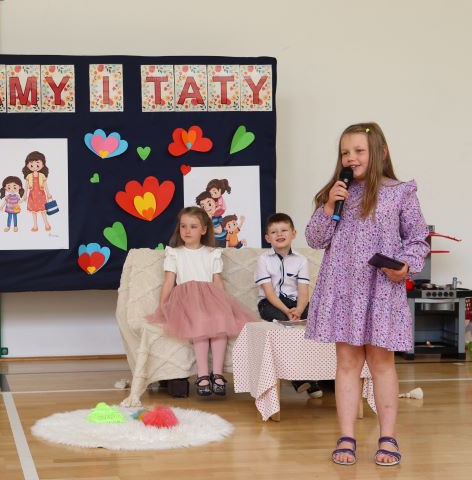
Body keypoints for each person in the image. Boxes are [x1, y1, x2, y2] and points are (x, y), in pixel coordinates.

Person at [305, 122, 429, 466]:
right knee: (347, 364)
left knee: (381, 363)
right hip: (343, 289)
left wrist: (406, 265)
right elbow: (315, 239)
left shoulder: (400, 192)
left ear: (380, 152)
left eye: (359, 150)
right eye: (345, 152)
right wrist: (329, 207)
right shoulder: (335, 194)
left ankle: (387, 437)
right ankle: (346, 436)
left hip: (381, 289)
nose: (351, 158)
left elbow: (417, 238)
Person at [147, 207, 256, 397]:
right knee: (200, 323)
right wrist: (162, 305)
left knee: (220, 321)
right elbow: (168, 282)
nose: (187, 231)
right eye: (183, 226)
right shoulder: (174, 253)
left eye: (193, 226)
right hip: (185, 298)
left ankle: (218, 375)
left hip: (210, 296)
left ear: (204, 230)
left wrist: (224, 303)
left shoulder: (212, 253)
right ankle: (203, 375)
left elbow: (217, 280)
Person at [255, 212, 322, 398]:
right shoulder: (263, 260)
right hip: (270, 303)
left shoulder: (301, 260)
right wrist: (287, 312)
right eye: (274, 232)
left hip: (296, 303)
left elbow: (303, 291)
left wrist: (299, 310)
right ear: (267, 238)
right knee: (286, 325)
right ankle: (301, 380)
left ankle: (315, 375)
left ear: (293, 233)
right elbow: (269, 293)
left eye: (284, 230)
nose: (279, 234)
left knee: (312, 323)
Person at [21, 151, 52, 232]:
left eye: (37, 164)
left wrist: (48, 194)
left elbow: (45, 185)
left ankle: (46, 224)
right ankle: (35, 225)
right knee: (33, 212)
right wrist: (25, 195)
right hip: (32, 196)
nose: (34, 166)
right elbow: (26, 186)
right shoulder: (28, 176)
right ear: (27, 165)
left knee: (43, 211)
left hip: (41, 195)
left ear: (43, 165)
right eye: (31, 165)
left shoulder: (42, 175)